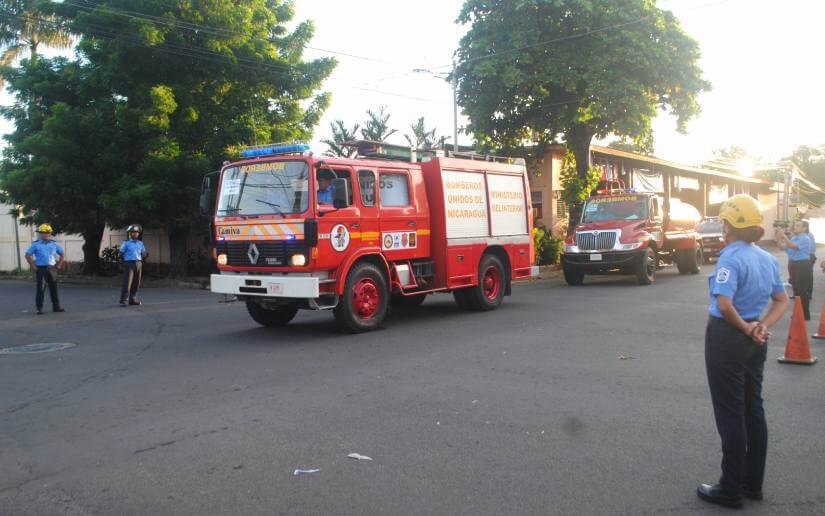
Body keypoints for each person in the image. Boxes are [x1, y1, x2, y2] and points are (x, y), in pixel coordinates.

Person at [698, 194, 788, 509]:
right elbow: (781, 300)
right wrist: (760, 326)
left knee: (730, 412)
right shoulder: (766, 258)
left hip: (728, 336)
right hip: (754, 338)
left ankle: (729, 488)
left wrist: (745, 327)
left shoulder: (731, 257)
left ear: (729, 225)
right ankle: (753, 483)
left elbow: (724, 303)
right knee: (753, 409)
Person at [24, 224, 66, 315]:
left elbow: (62, 253)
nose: (45, 234)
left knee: (54, 288)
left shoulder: (53, 244)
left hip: (52, 268)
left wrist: (59, 265)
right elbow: (27, 255)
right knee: (41, 289)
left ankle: (56, 307)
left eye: (47, 233)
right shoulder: (36, 245)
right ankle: (39, 308)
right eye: (43, 233)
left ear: (50, 233)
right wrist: (33, 266)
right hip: (41, 269)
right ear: (40, 234)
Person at [776, 220, 813, 320]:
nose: (795, 227)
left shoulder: (805, 238)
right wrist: (779, 238)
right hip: (793, 264)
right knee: (796, 290)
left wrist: (784, 236)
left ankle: (805, 314)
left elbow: (793, 246)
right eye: (795, 225)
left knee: (802, 291)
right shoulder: (794, 238)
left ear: (804, 228)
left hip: (802, 265)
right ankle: (798, 313)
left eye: (797, 225)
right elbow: (782, 247)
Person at [118, 224, 147, 306]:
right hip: (129, 263)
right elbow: (120, 253)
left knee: (136, 282)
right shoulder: (126, 243)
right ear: (130, 233)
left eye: (137, 232)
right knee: (127, 282)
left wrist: (145, 254)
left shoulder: (140, 243)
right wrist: (121, 263)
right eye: (133, 232)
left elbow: (143, 252)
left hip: (138, 263)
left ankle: (133, 299)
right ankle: (124, 300)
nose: (136, 234)